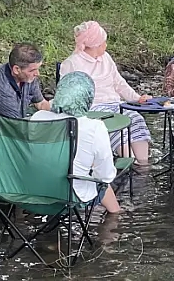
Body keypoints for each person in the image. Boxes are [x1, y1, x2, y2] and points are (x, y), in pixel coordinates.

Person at [59, 21, 153, 165]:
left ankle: (143, 164)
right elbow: (66, 95)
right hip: (92, 108)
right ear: (95, 45)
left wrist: (136, 98)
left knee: (136, 118)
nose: (106, 45)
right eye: (103, 42)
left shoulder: (106, 58)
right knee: (116, 125)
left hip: (115, 104)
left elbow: (119, 82)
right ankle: (131, 162)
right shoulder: (72, 63)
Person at [30, 71, 121, 213]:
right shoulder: (94, 127)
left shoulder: (37, 117)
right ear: (88, 98)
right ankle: (113, 227)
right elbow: (105, 176)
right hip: (70, 196)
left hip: (29, 191)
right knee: (103, 185)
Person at [0, 43, 52, 144]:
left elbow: (41, 104)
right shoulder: (0, 85)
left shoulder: (29, 77)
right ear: (16, 70)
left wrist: (59, 117)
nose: (37, 73)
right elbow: (15, 126)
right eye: (32, 70)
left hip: (15, 124)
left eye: (38, 69)